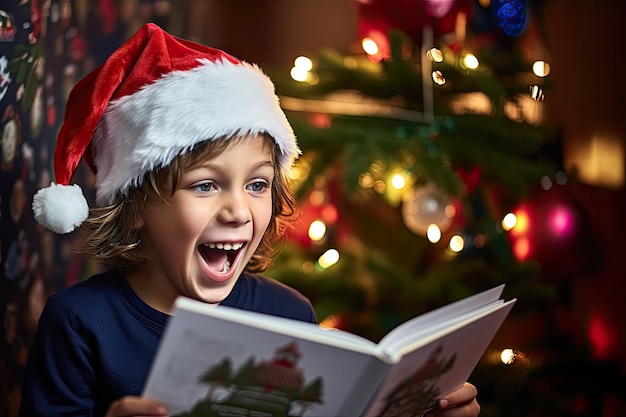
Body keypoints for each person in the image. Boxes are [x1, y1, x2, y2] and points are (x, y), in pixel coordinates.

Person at [20, 23, 480, 417]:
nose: (239, 211)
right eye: (205, 185)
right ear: (136, 206)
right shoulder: (79, 325)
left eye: (257, 185)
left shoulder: (290, 314)